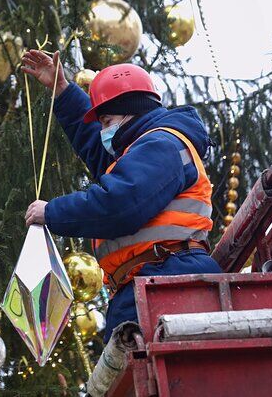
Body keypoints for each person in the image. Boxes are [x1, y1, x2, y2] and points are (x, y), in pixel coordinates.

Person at [21, 49, 222, 342]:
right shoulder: (141, 148)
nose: (103, 131)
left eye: (107, 121)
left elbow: (119, 205)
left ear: (132, 113)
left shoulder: (161, 144)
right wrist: (62, 90)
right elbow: (93, 142)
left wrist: (52, 212)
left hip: (170, 279)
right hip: (152, 281)